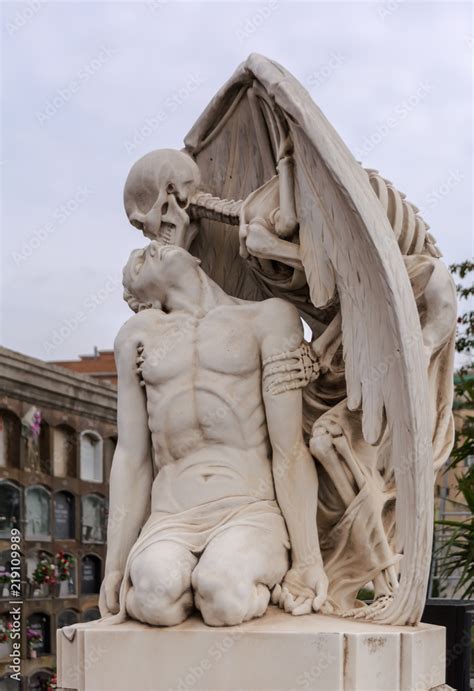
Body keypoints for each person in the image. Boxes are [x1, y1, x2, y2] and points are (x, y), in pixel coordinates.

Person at [99, 242, 327, 627]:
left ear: (196, 254)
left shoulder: (269, 318)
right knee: (154, 595)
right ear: (142, 298)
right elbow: (131, 457)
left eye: (154, 247)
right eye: (136, 263)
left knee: (223, 594)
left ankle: (238, 584)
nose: (148, 249)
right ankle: (184, 586)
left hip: (248, 510)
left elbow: (289, 449)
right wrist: (115, 564)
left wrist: (307, 560)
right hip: (171, 517)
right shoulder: (137, 337)